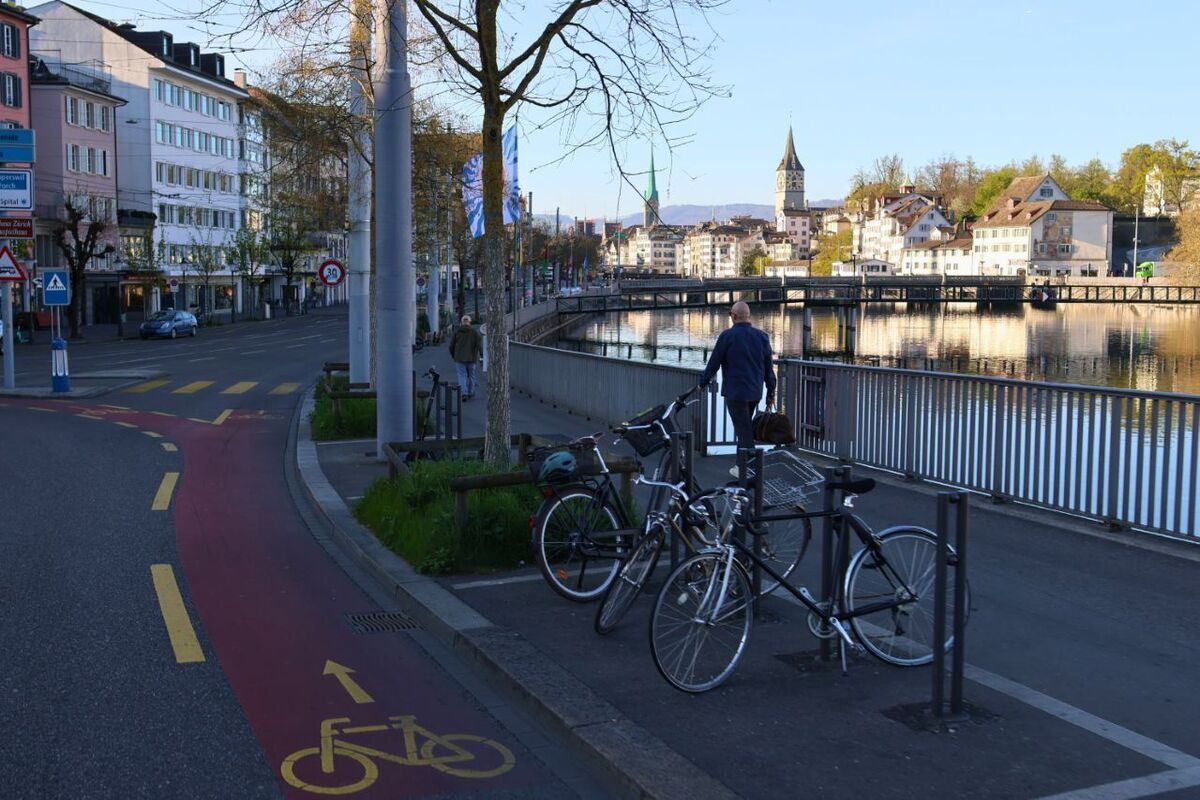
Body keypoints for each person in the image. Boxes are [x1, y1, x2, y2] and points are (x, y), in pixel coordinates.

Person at [700, 301, 776, 452]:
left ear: (733, 316)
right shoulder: (762, 337)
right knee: (745, 427)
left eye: (730, 315)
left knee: (743, 430)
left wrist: (703, 382)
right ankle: (742, 465)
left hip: (735, 393)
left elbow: (714, 363)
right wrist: (770, 392)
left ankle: (751, 465)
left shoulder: (727, 336)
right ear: (748, 317)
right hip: (755, 392)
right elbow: (769, 369)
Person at [448, 314, 483, 400]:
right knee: (471, 376)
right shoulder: (475, 332)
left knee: (461, 376)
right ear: (470, 323)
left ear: (461, 323)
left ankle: (464, 393)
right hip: (471, 358)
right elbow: (480, 345)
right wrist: (482, 355)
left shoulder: (457, 332)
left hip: (459, 358)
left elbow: (451, 346)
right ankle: (470, 392)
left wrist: (454, 355)